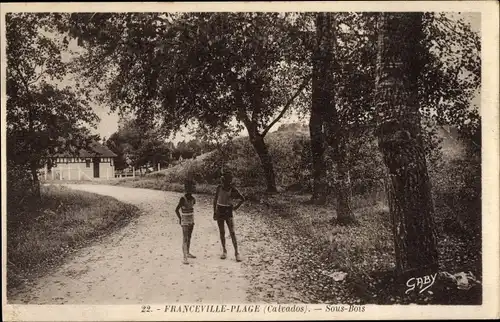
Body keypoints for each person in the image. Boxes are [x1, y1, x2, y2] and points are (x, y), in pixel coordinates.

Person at [213, 171, 245, 262]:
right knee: (222, 232)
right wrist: (214, 212)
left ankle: (237, 253)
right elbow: (215, 200)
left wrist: (236, 207)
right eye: (222, 180)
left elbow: (242, 199)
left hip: (228, 211)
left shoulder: (233, 189)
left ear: (229, 181)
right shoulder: (219, 188)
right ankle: (224, 251)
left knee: (232, 232)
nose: (222, 182)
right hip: (219, 210)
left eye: (225, 180)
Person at [175, 179, 197, 265]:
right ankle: (184, 257)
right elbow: (176, 210)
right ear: (186, 189)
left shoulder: (193, 199)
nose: (190, 190)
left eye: (191, 189)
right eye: (189, 189)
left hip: (191, 220)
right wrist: (180, 219)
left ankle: (187, 252)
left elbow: (191, 208)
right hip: (185, 221)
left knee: (189, 237)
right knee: (185, 238)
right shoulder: (182, 199)